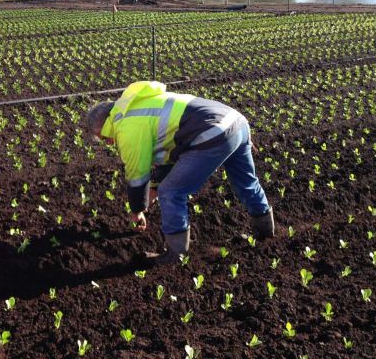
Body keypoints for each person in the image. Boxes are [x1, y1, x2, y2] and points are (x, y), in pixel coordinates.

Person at [85, 80, 274, 265]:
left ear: (104, 125)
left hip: (212, 133)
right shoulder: (138, 104)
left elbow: (137, 173)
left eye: (104, 139)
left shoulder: (126, 126)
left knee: (171, 192)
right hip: (236, 122)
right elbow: (169, 155)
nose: (109, 143)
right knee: (245, 181)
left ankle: (175, 255)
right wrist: (152, 192)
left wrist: (137, 209)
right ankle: (265, 231)